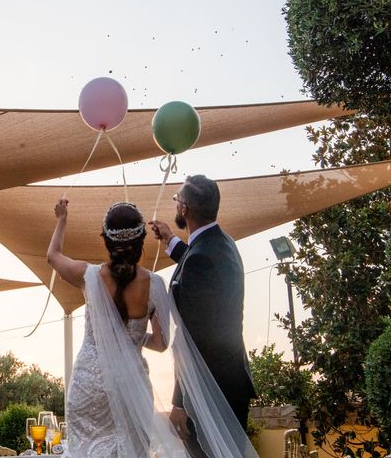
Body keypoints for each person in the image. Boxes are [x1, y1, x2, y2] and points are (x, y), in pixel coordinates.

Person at [48, 198, 257, 458]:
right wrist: (135, 338)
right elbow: (161, 343)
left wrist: (62, 220)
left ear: (106, 241)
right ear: (140, 242)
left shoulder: (87, 276)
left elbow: (53, 256)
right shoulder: (155, 285)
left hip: (88, 384)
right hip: (130, 386)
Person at [150, 174, 257, 457]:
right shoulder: (222, 244)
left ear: (184, 209)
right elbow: (195, 262)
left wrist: (181, 402)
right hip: (231, 379)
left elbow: (195, 340)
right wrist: (169, 240)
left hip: (208, 392)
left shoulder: (200, 259)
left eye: (177, 201)